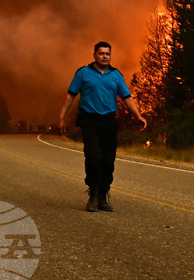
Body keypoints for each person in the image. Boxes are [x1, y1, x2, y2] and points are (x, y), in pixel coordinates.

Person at [58, 41, 146, 212]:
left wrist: (138, 116)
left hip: (109, 122)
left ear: (110, 56)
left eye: (107, 54)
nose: (104, 56)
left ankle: (103, 195)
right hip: (89, 121)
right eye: (101, 53)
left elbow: (127, 97)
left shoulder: (116, 75)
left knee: (108, 159)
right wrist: (61, 117)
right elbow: (70, 96)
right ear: (94, 55)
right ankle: (93, 195)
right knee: (93, 156)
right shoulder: (83, 73)